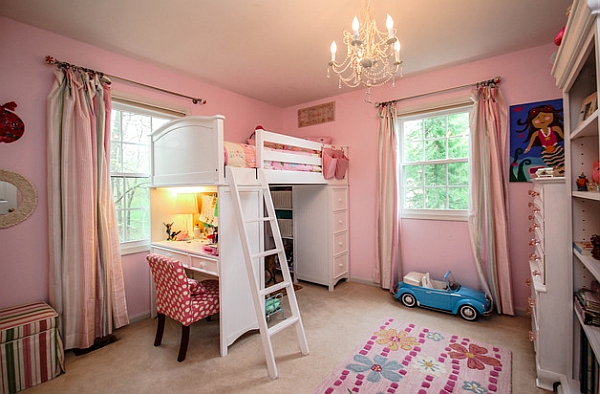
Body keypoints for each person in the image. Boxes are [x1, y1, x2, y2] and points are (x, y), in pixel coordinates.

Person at [518, 104, 565, 171]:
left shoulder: (555, 128)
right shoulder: (536, 133)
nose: (542, 120)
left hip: (556, 147)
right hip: (546, 150)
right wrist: (527, 149)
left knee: (561, 158)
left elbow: (563, 137)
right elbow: (531, 143)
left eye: (545, 116)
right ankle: (556, 170)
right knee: (549, 161)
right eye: (537, 118)